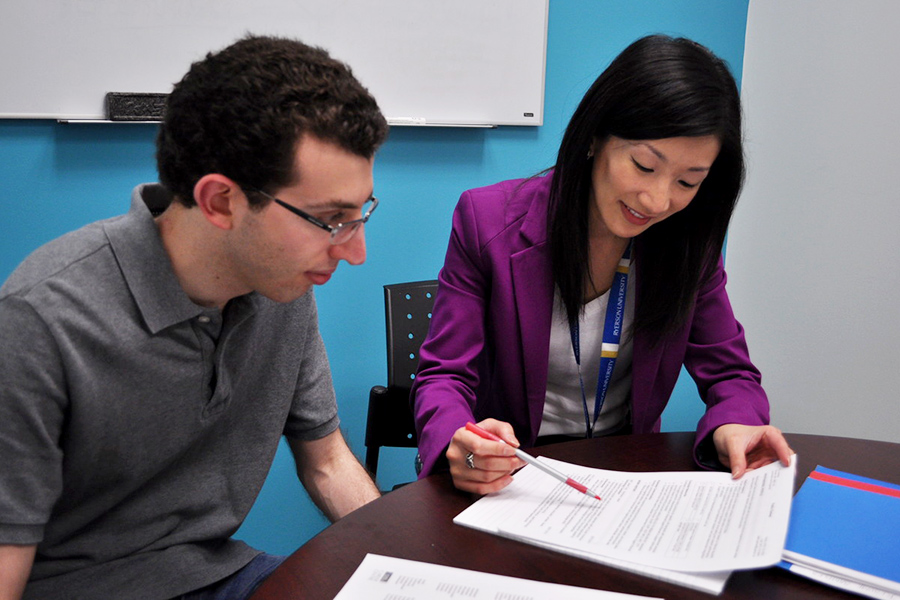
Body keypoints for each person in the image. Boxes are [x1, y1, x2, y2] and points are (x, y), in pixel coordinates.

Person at [0, 35, 388, 600]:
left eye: (361, 215)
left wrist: (397, 573)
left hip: (219, 576)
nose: (355, 253)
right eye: (330, 220)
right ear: (220, 202)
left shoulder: (281, 287)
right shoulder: (43, 320)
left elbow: (327, 460)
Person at [411, 35, 792, 495]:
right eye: (644, 166)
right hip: (514, 479)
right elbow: (443, 377)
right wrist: (467, 448)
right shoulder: (487, 221)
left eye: (688, 181)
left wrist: (734, 425)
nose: (657, 201)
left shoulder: (689, 246)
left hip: (624, 481)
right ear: (595, 136)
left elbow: (731, 374)